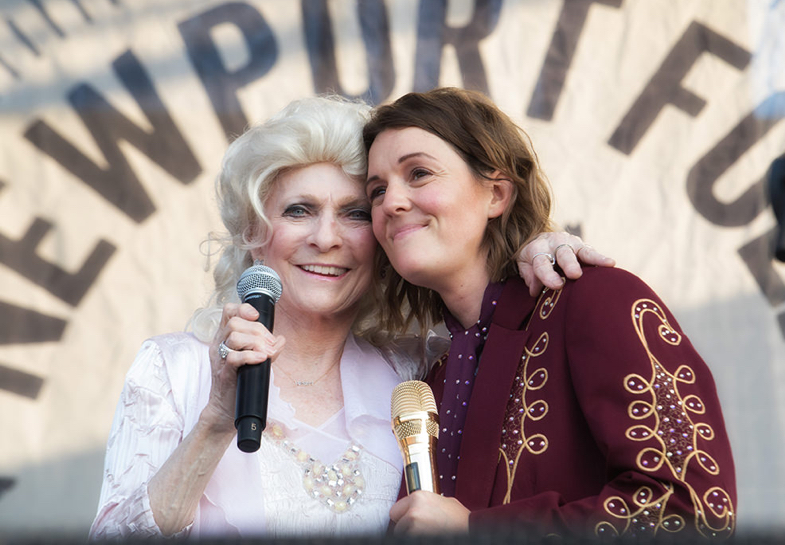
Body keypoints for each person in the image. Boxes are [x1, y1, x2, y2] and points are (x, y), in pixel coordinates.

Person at [88, 95, 611, 539]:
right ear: (253, 232)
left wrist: (535, 246)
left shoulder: (420, 373)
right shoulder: (173, 372)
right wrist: (216, 421)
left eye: (356, 213)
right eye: (299, 210)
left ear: (384, 237)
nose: (327, 238)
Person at [363, 87, 737, 538]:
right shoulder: (432, 379)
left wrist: (477, 531)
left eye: (418, 173)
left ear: (497, 194)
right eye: (377, 190)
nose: (391, 202)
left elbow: (694, 510)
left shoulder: (596, 300)